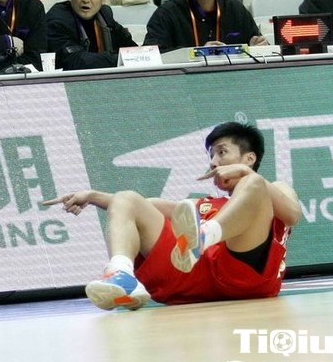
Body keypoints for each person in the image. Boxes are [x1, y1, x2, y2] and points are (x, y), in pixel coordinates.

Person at [43, 122, 301, 309]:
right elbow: (140, 208)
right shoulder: (204, 204)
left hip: (245, 278)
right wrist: (92, 196)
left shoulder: (272, 188)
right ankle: (122, 275)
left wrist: (246, 174)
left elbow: (293, 215)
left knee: (253, 184)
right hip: (194, 278)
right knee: (127, 197)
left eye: (222, 152)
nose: (213, 162)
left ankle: (204, 236)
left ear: (249, 158)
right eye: (211, 155)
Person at [45, 0, 137, 70]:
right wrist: (121, 59)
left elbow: (131, 48)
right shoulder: (56, 21)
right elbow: (76, 61)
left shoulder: (105, 15)